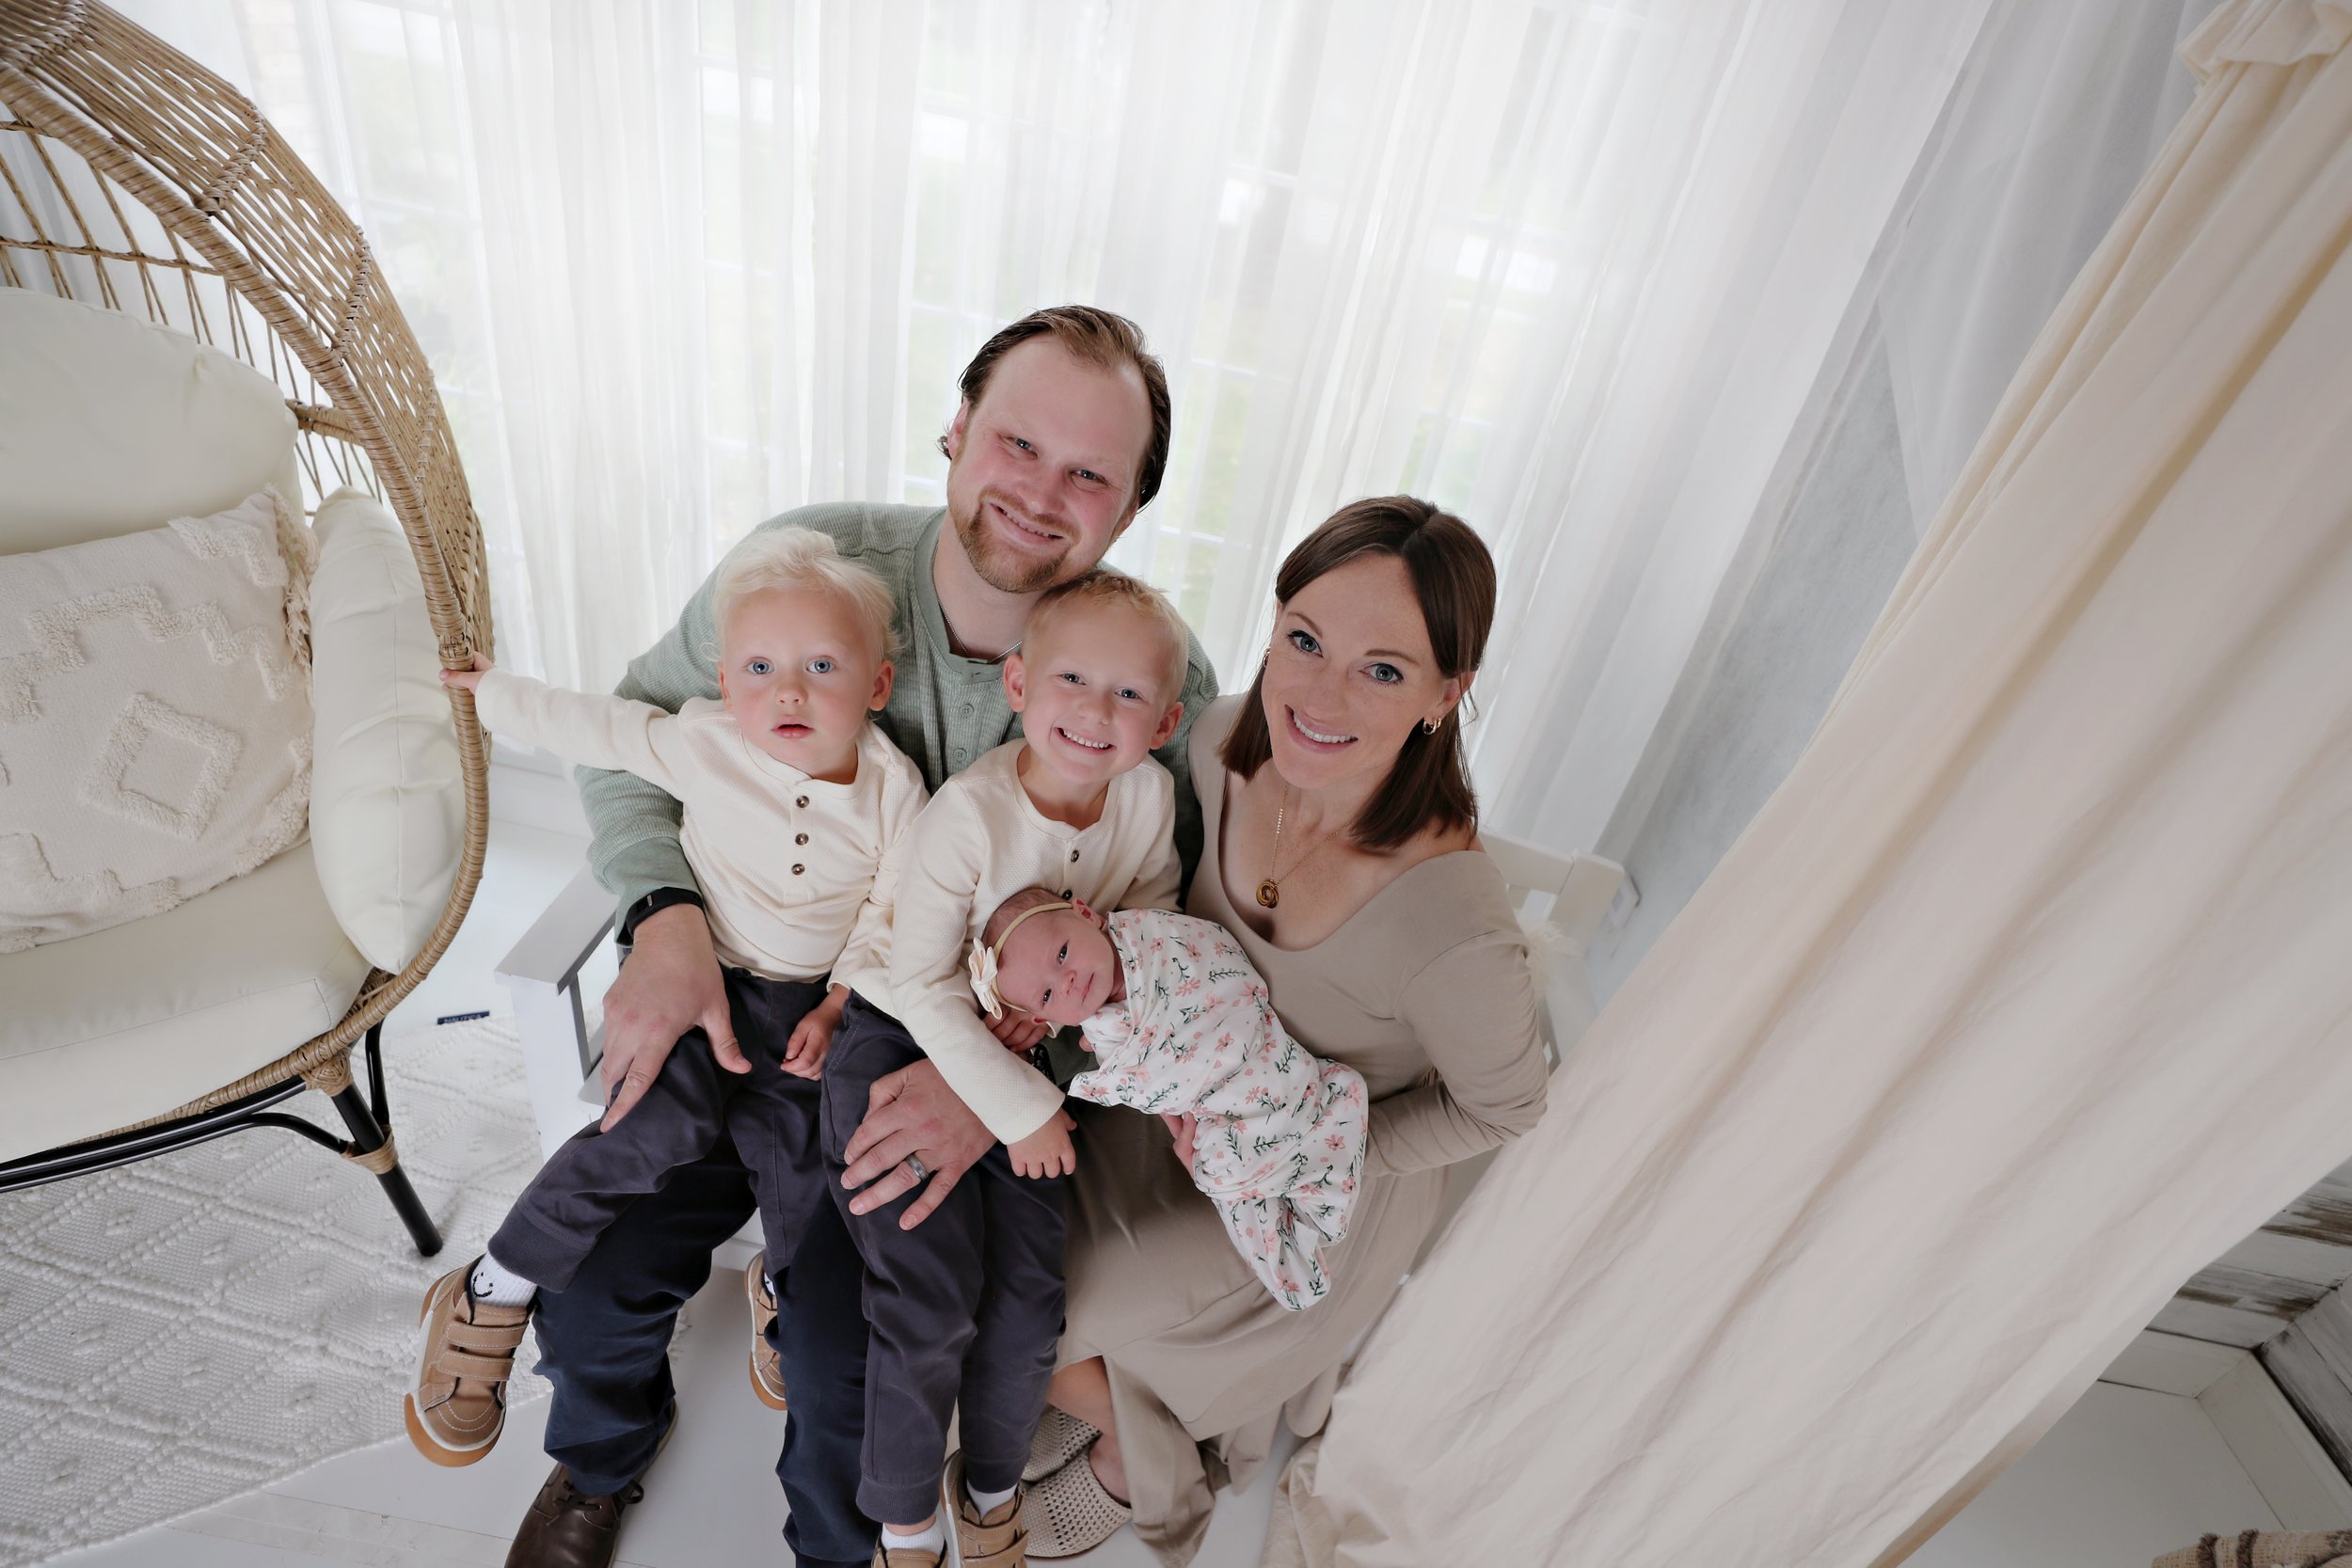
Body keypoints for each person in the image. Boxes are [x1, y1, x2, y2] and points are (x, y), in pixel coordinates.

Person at [503, 306, 1221, 1568]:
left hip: (911, 1064)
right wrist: (662, 916)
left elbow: (1158, 950)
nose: (1039, 492)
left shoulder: (1149, 680)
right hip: (735, 991)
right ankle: (600, 1458)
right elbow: (636, 734)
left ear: (1127, 507)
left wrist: (1000, 1083)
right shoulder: (811, 568)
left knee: (853, 1370)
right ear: (956, 427)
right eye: (1017, 442)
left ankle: (838, 1537)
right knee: (600, 1273)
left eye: (1089, 473)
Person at [1019, 497, 1551, 1560]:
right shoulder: (1217, 743)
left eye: (1382, 669)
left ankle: (1143, 1447)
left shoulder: (1452, 924)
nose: (1318, 695)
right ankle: (1100, 1386)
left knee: (1038, 1309)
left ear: (1447, 694)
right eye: (1305, 640)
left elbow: (1508, 1105)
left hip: (1299, 1181)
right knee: (993, 1257)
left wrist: (1300, 1141)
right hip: (1169, 1096)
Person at [403, 528, 923, 1468]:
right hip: (702, 987)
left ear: (876, 684)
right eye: (760, 668)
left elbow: (891, 908)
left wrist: (839, 1001)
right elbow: (594, 726)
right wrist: (492, 691)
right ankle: (498, 1279)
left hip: (810, 1015)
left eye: (821, 666)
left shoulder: (894, 789)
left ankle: (786, 1297)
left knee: (811, 1170)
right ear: (725, 682)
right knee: (648, 1125)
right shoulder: (706, 741)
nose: (789, 692)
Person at [822, 569, 1192, 1566]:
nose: (1095, 711)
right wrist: (1020, 1105)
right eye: (1072, 678)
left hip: (1040, 1058)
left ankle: (988, 1492)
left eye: (1127, 693)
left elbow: (1146, 938)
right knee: (932, 1300)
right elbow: (921, 980)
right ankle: (904, 1526)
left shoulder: (1148, 800)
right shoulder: (970, 812)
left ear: (1164, 721)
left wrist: (1080, 1051)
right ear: (1020, 684)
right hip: (908, 1034)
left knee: (1030, 1309)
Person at [975, 888, 1370, 1313]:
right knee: (1236, 1177)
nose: (1067, 981)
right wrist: (1113, 1060)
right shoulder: (1103, 1036)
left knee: (1341, 1092)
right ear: (1045, 1021)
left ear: (1086, 914)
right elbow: (1147, 1083)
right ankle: (1300, 1270)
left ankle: (1311, 1217)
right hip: (1224, 1118)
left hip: (1266, 1056)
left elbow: (1218, 954)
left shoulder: (1154, 933)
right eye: (1048, 996)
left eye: (1062, 954)